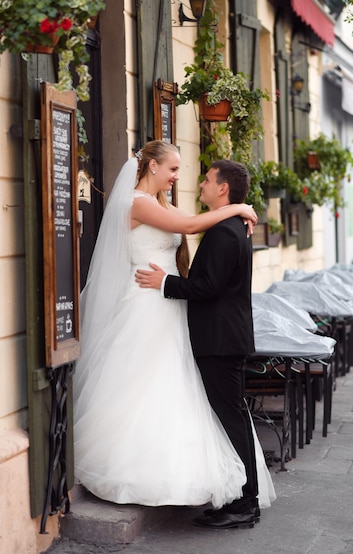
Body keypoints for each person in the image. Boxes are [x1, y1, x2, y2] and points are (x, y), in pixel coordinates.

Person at [73, 140, 264, 514]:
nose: (179, 176)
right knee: (143, 385)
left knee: (178, 388)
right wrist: (240, 208)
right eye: (174, 169)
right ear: (153, 167)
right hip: (148, 301)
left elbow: (192, 225)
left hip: (173, 306)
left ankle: (220, 486)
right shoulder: (138, 202)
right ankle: (137, 470)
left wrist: (234, 215)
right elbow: (192, 225)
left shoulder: (161, 204)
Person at [136, 159, 276, 530]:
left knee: (231, 417)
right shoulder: (232, 227)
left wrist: (165, 282)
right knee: (230, 415)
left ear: (223, 189)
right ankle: (240, 498)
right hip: (224, 337)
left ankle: (246, 504)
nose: (200, 184)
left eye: (207, 180)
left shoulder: (225, 232)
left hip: (220, 340)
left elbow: (207, 287)